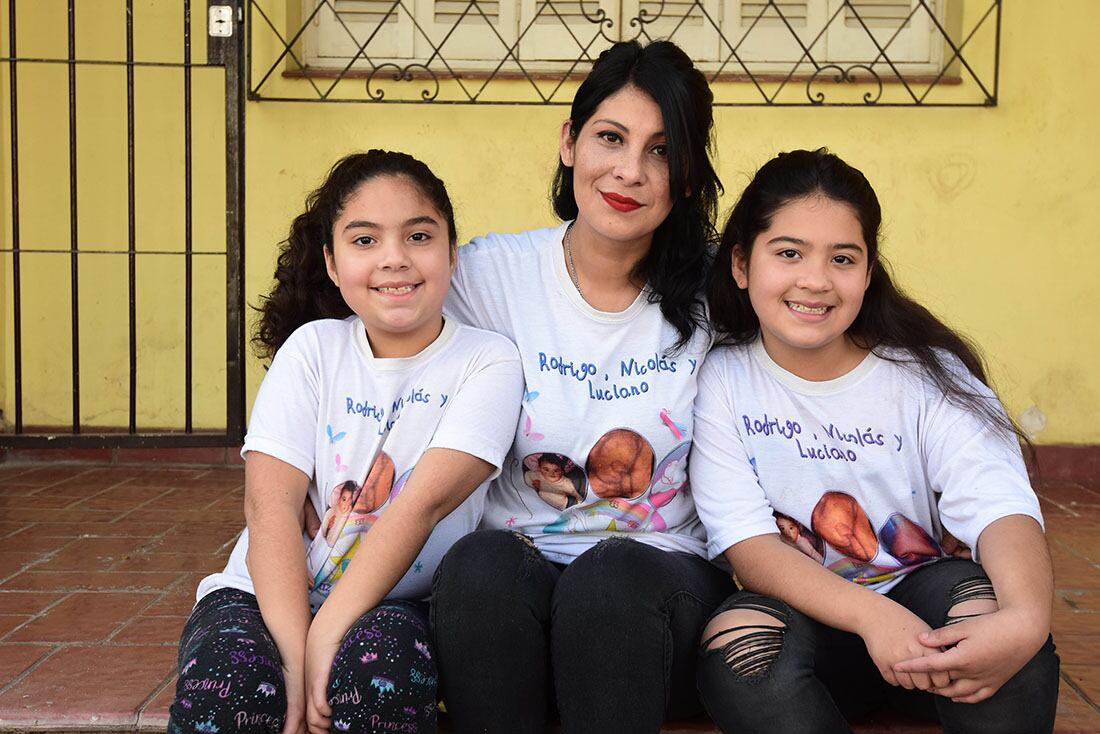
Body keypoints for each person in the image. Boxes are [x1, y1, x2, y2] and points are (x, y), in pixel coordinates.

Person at [690, 148, 1060, 732]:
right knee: (737, 648)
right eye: (788, 253)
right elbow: (751, 547)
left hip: (927, 628)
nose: (815, 280)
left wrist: (1026, 620)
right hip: (806, 621)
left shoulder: (925, 376)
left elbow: (1001, 507)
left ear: (868, 272)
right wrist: (871, 618)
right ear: (742, 264)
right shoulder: (722, 381)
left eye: (843, 258)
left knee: (1002, 629)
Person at [430, 40, 736, 733]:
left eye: (661, 150)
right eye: (610, 137)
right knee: (477, 567)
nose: (630, 170)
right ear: (569, 142)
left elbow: (837, 337)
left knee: (609, 583)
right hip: (517, 586)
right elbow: (379, 348)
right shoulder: (489, 277)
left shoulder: (719, 292)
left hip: (659, 594)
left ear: (687, 176)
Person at [168, 150, 523, 734]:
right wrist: (292, 652)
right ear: (332, 264)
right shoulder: (311, 350)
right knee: (231, 689)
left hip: (395, 604)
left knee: (374, 685)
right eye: (364, 240)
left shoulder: (487, 361)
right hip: (260, 597)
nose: (394, 258)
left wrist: (327, 633)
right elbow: (271, 505)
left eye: (418, 235)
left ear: (453, 254)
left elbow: (420, 508)